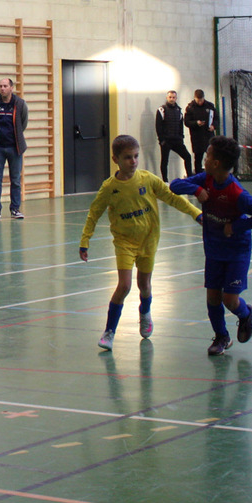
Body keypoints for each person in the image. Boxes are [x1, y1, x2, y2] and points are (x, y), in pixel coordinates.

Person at [78, 134, 201, 350]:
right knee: (124, 286)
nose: (133, 161)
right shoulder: (109, 188)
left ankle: (145, 312)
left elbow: (172, 198)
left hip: (148, 240)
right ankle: (109, 331)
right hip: (124, 242)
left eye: (136, 156)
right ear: (115, 159)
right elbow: (94, 213)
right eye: (128, 157)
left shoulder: (148, 179)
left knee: (144, 285)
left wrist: (195, 213)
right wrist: (85, 240)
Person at [171, 136, 252, 357]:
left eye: (207, 155)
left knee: (230, 300)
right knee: (213, 298)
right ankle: (221, 336)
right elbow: (175, 185)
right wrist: (196, 191)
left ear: (216, 163)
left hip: (236, 252)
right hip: (213, 250)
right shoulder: (206, 179)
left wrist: (235, 226)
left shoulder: (237, 193)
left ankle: (245, 314)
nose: (204, 159)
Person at [0, 78, 29, 220]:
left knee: (15, 180)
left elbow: (23, 123)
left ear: (11, 88)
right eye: (0, 86)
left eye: (5, 86)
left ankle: (15, 209)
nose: (2, 88)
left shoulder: (20, 104)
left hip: (15, 148)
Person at [155, 90, 192, 180]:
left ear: (176, 98)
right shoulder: (161, 110)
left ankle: (190, 179)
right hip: (166, 141)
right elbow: (158, 126)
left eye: (173, 97)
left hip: (177, 140)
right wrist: (162, 140)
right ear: (167, 98)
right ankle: (165, 181)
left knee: (187, 157)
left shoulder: (179, 110)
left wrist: (181, 137)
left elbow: (181, 125)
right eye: (170, 97)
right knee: (165, 161)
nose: (172, 99)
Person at [183, 89, 216, 170]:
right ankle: (198, 173)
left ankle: (212, 174)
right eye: (198, 100)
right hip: (197, 137)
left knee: (212, 156)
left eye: (201, 100)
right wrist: (196, 123)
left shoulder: (210, 106)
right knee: (198, 158)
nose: (200, 102)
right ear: (195, 98)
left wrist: (214, 126)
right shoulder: (190, 108)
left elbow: (216, 118)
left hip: (208, 135)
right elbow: (186, 122)